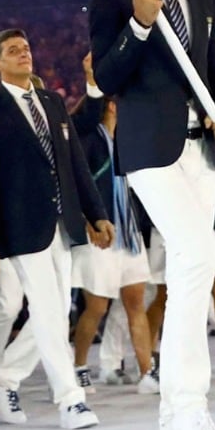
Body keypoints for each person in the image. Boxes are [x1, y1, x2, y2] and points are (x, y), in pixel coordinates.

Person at [89, 0, 215, 430]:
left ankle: (174, 419)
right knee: (199, 255)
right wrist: (139, 23)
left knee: (188, 274)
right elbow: (107, 78)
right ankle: (190, 408)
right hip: (149, 149)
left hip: (201, 152)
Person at [0, 30, 111, 430]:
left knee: (57, 312)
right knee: (47, 310)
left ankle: (4, 375)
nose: (23, 54)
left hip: (62, 223)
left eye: (26, 48)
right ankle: (71, 400)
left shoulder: (52, 102)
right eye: (13, 50)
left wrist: (96, 213)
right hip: (20, 228)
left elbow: (74, 162)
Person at [69, 53, 156, 395]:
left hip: (128, 235)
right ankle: (79, 367)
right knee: (97, 306)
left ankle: (147, 372)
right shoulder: (88, 141)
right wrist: (87, 221)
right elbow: (76, 185)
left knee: (135, 304)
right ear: (111, 106)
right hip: (100, 235)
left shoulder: (127, 142)